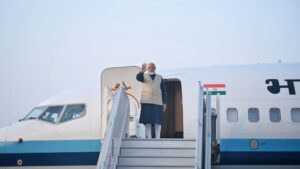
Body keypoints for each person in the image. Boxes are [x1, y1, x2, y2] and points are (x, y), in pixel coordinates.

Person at [136, 63, 167, 139]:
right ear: (147, 68)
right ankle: (149, 138)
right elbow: (138, 78)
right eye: (149, 67)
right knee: (147, 121)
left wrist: (165, 102)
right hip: (146, 101)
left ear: (155, 68)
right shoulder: (143, 76)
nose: (151, 68)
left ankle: (157, 137)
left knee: (158, 121)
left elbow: (164, 91)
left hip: (157, 101)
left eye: (152, 67)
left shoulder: (160, 77)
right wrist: (142, 71)